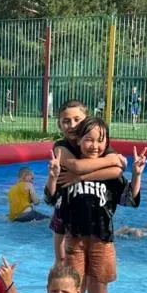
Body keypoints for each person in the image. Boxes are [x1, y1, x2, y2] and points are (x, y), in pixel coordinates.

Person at [46, 119, 145, 293]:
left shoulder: (110, 174)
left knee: (99, 287)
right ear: (79, 141)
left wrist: (136, 175)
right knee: (74, 287)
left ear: (107, 142)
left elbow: (129, 199)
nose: (94, 145)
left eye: (100, 140)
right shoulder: (67, 170)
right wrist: (53, 177)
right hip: (74, 240)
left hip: (102, 239)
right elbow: (51, 199)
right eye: (89, 140)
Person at [49, 100, 127, 265]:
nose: (72, 125)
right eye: (66, 121)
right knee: (61, 261)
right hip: (64, 205)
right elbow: (77, 166)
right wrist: (112, 160)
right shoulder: (60, 147)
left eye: (77, 119)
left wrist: (80, 177)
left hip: (88, 208)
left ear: (87, 119)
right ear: (59, 125)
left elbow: (117, 171)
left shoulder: (97, 143)